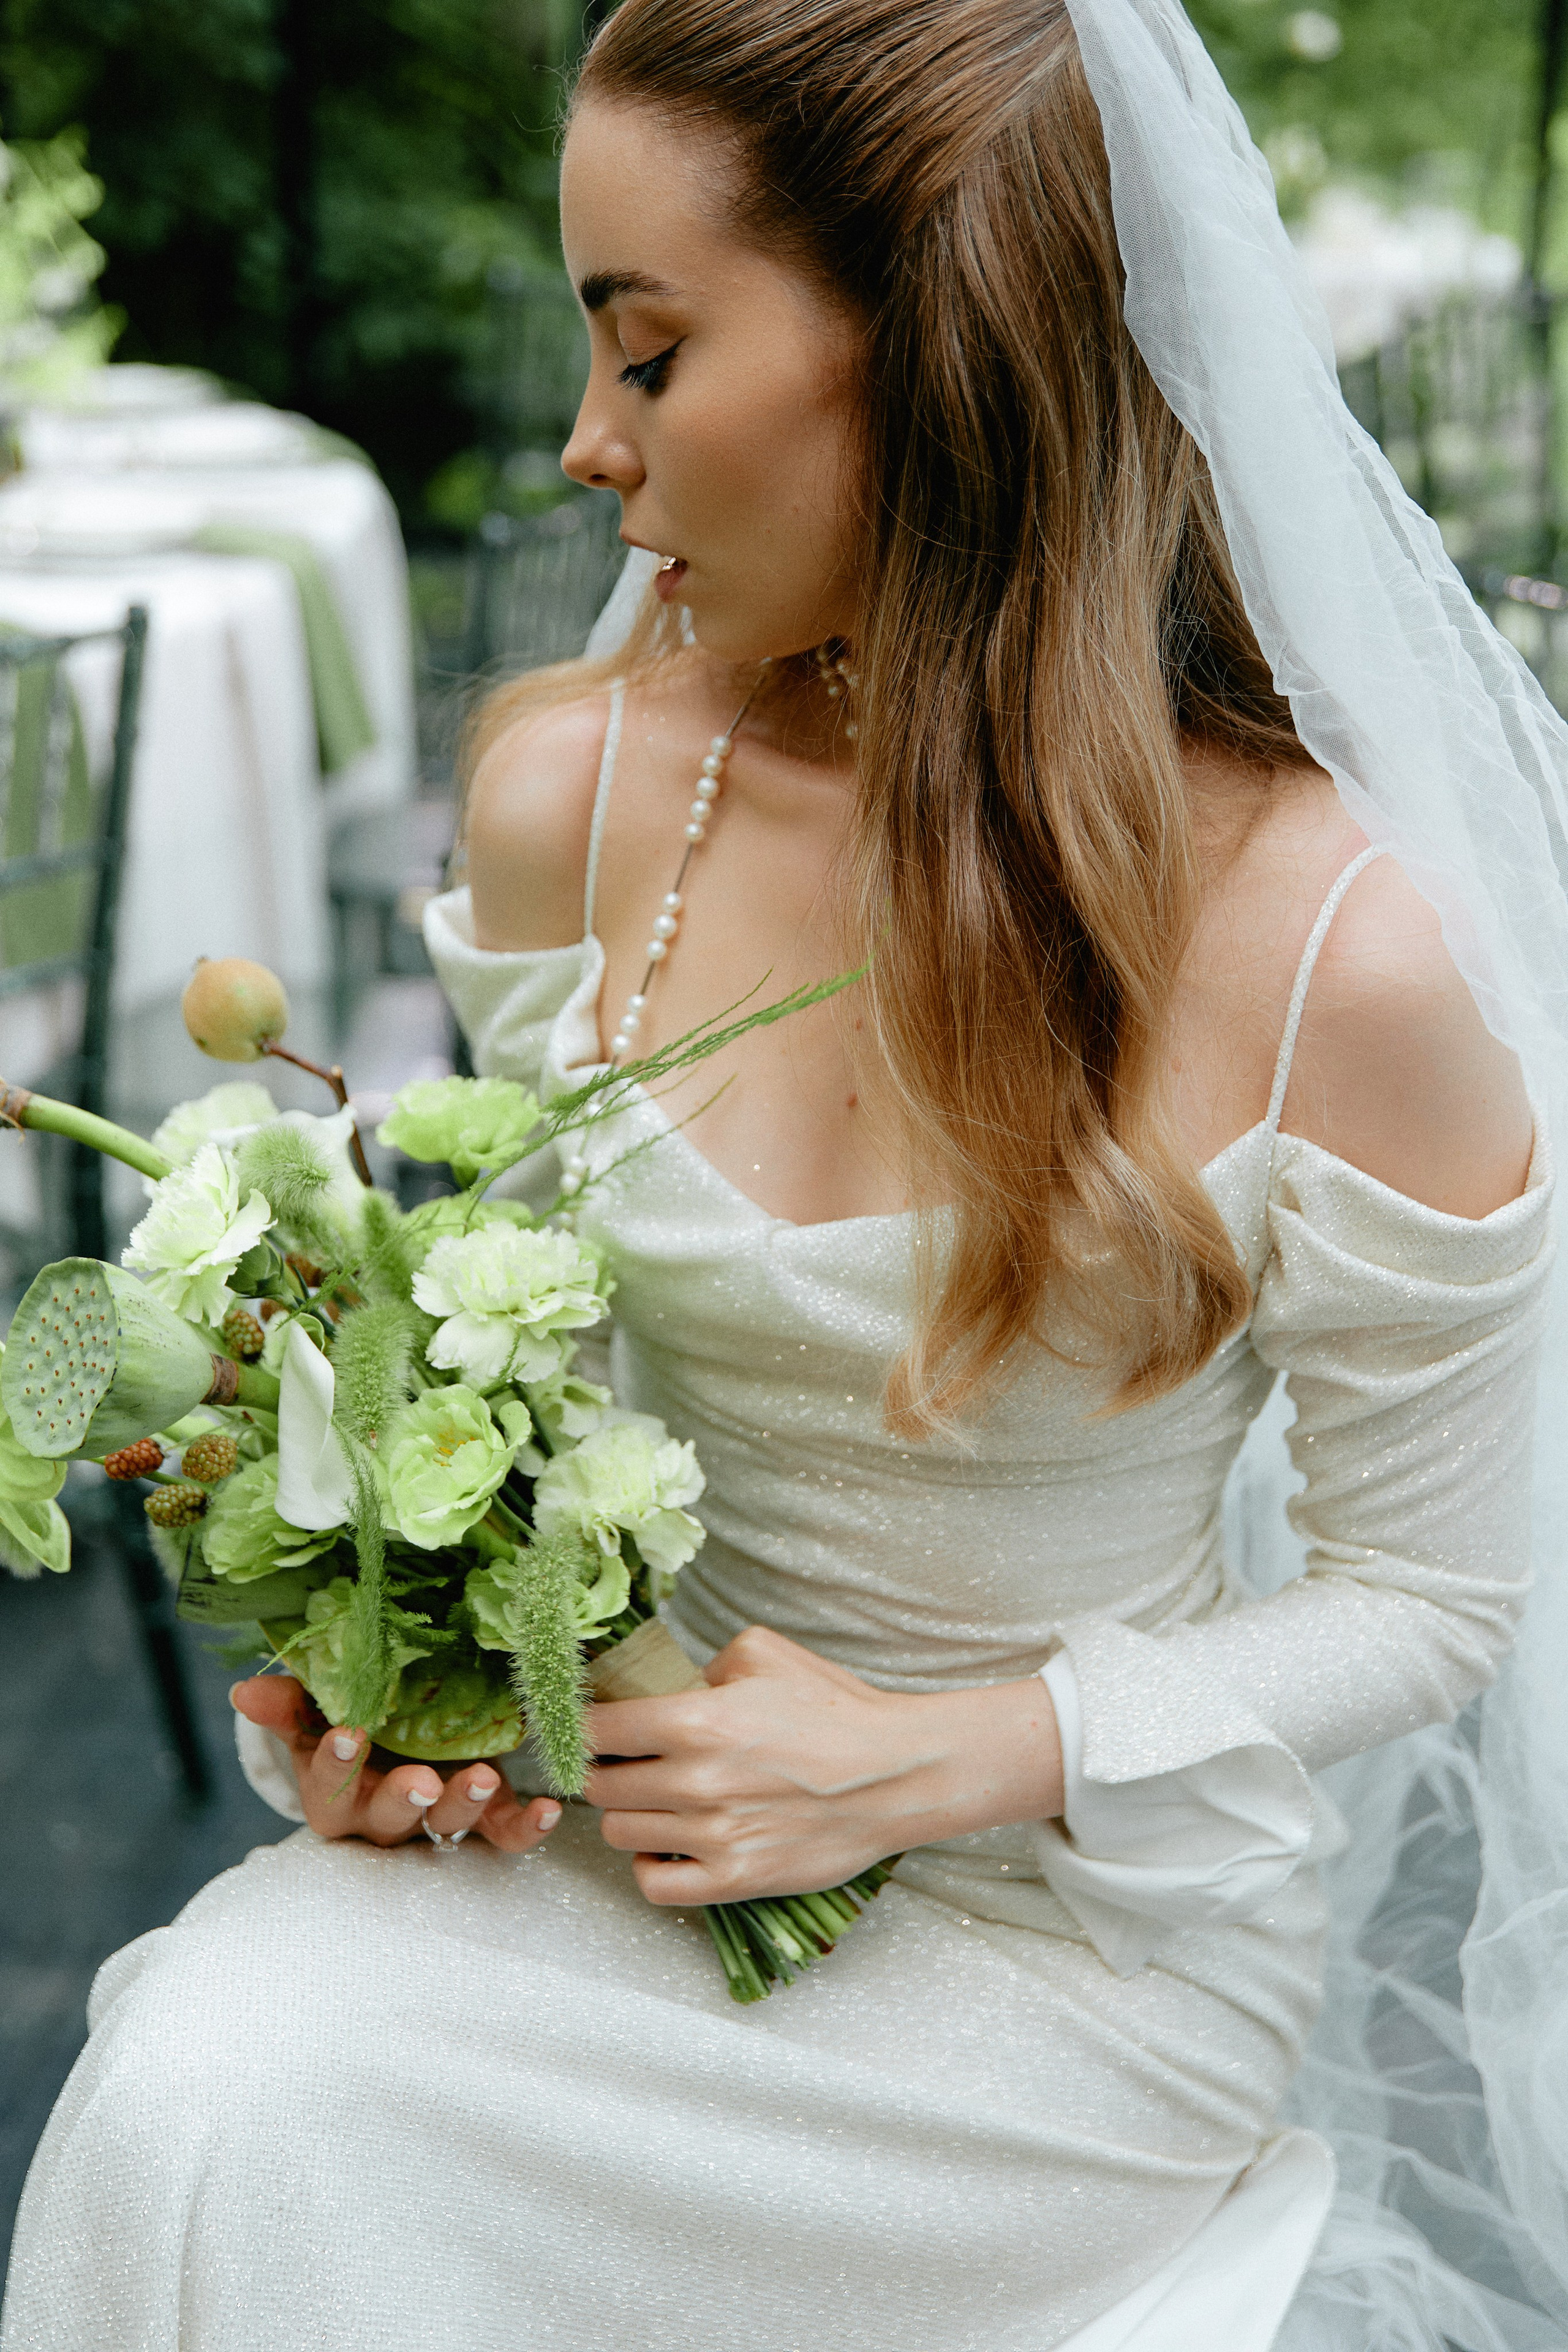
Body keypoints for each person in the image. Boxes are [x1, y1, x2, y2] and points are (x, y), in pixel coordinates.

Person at [5, 2, 1566, 2347]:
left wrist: (938, 1757)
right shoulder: (578, 797)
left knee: (269, 2093)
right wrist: (413, 1683)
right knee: (210, 2080)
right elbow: (537, 1370)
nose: (582, 446)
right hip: (620, 1839)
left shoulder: (1336, 953)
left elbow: (1436, 1596)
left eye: (650, 355)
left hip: (1061, 1960)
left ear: (938, 351)